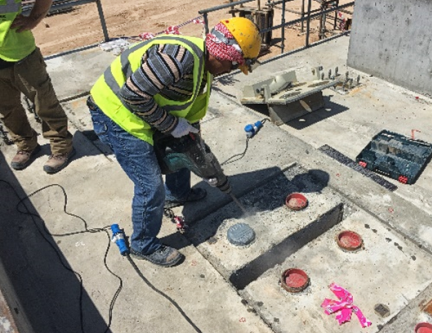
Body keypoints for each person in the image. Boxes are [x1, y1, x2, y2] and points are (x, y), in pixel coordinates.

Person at [87, 17, 261, 267]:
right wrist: (171, 126)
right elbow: (133, 96)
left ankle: (177, 193)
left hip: (142, 110)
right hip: (115, 114)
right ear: (225, 56)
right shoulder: (179, 59)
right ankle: (142, 244)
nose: (230, 71)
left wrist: (200, 156)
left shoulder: (205, 68)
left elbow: (190, 121)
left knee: (183, 147)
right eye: (234, 66)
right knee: (150, 185)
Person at [0, 0, 74, 173]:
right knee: (7, 110)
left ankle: (62, 147)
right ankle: (26, 145)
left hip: (21, 55)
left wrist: (33, 19)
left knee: (45, 104)